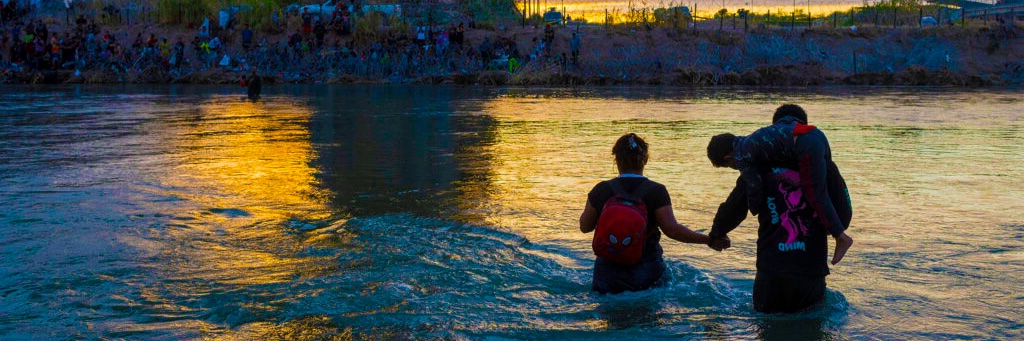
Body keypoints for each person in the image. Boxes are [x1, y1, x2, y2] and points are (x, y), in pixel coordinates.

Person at [705, 104, 854, 313]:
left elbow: (734, 207)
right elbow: (844, 215)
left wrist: (716, 233)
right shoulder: (824, 166)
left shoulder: (758, 167)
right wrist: (831, 228)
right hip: (810, 269)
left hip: (772, 267)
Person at [580, 133, 712, 294]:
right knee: (647, 316)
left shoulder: (601, 189)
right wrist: (708, 240)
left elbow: (585, 226)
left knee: (609, 315)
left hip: (607, 271)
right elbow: (672, 230)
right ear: (645, 159)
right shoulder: (656, 191)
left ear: (616, 160)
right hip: (645, 269)